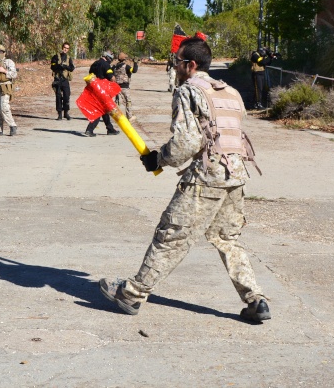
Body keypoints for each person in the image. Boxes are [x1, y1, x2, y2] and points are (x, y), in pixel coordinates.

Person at [99, 37, 270, 323]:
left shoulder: (188, 91)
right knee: (227, 238)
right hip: (236, 176)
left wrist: (159, 158)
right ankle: (256, 299)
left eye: (177, 61)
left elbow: (186, 143)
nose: (175, 66)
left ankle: (131, 294)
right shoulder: (231, 92)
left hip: (207, 177)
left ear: (190, 65)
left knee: (171, 235)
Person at [84, 51, 120, 137]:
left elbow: (90, 77)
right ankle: (89, 129)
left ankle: (110, 129)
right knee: (100, 110)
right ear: (108, 57)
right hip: (102, 91)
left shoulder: (94, 64)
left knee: (104, 110)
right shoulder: (106, 65)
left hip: (94, 89)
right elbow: (112, 78)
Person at [0, 44, 18, 136]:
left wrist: (4, 71)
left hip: (5, 87)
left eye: (0, 52)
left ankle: (12, 125)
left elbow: (14, 74)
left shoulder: (8, 62)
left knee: (4, 108)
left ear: (4, 53)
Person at [50, 42, 75, 120]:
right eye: (64, 47)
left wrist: (66, 67)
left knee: (67, 96)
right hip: (58, 79)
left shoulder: (68, 58)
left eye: (67, 48)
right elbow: (52, 66)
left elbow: (72, 68)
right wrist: (59, 66)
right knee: (58, 97)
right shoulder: (55, 57)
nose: (65, 49)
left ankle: (66, 113)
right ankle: (59, 114)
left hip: (65, 80)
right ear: (62, 47)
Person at [112, 52, 139, 121]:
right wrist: (135, 63)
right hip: (125, 87)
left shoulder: (114, 67)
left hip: (116, 87)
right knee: (128, 101)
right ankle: (129, 116)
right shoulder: (126, 66)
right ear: (124, 59)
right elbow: (134, 70)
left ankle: (116, 116)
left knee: (117, 102)